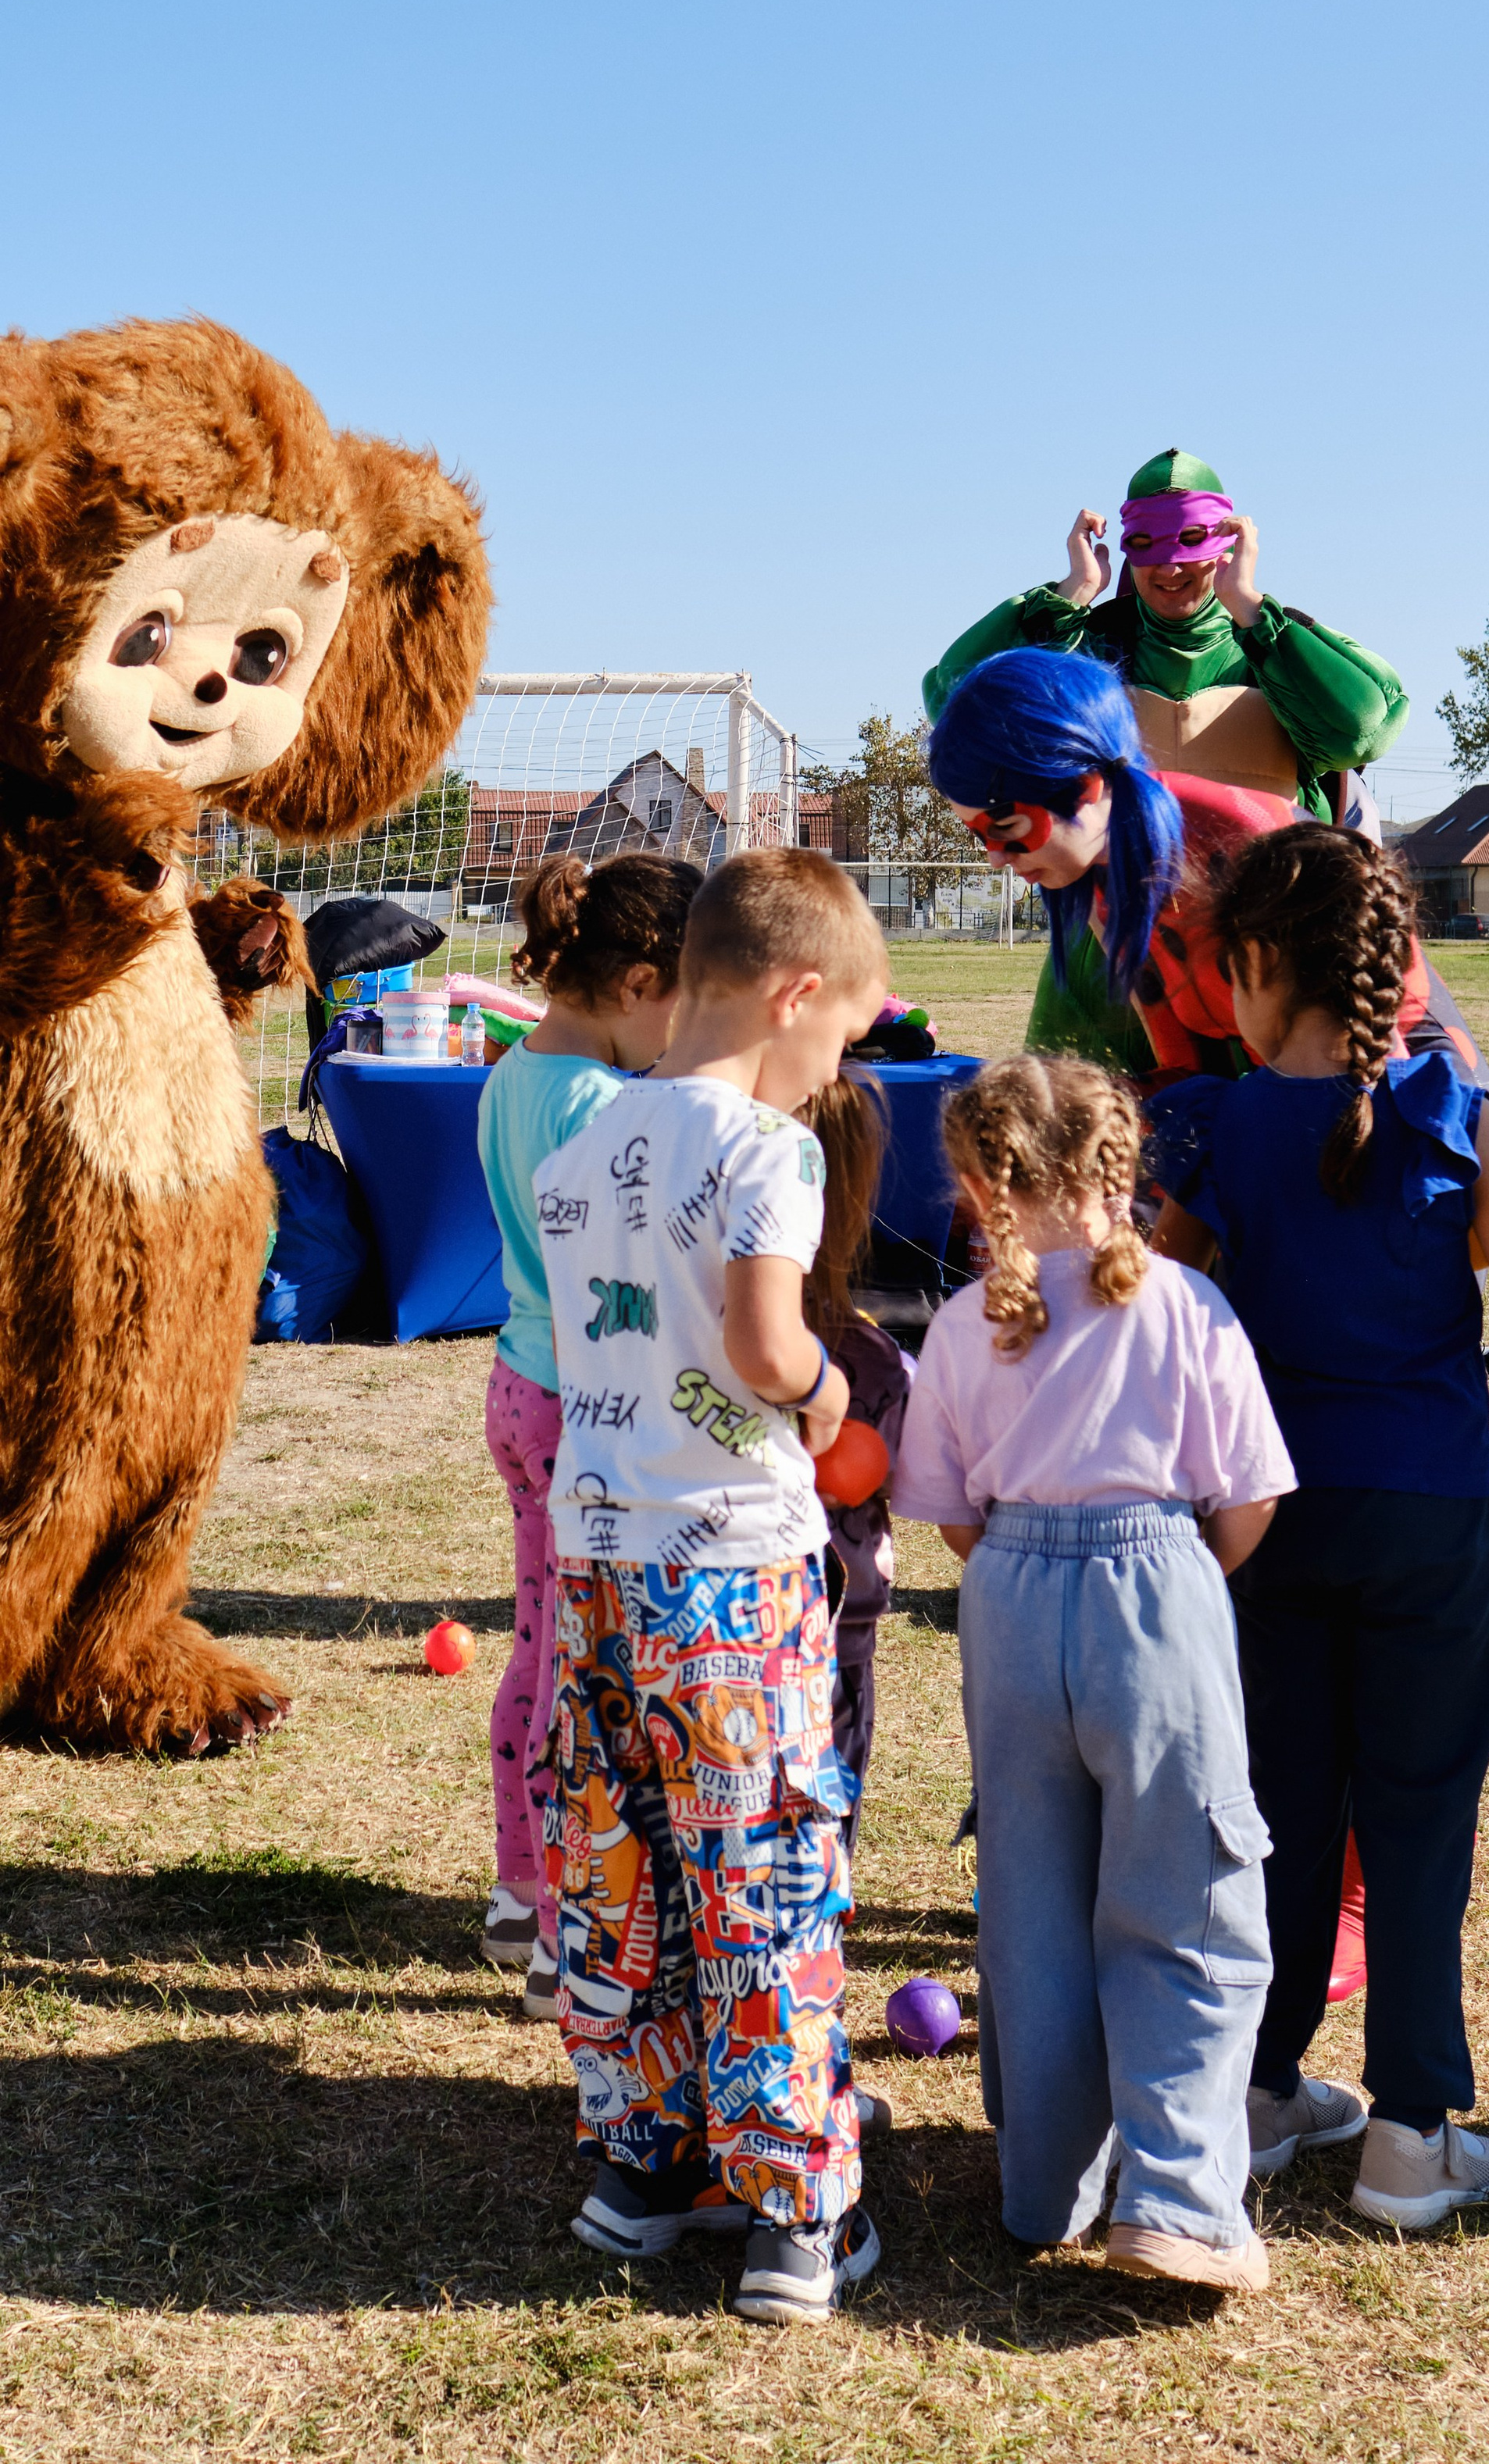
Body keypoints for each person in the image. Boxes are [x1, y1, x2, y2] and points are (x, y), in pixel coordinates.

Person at [1148, 824, 1489, 2230]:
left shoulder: (1211, 1127)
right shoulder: (1454, 1107)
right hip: (1431, 1524)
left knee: (1279, 1813)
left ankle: (1261, 2086)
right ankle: (1410, 2131)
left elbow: (1149, 1316)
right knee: (1419, 1826)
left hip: (1270, 1524)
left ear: (1255, 967)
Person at [536, 848, 890, 2324]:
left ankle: (643, 2163)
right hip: (732, 1571)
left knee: (619, 1867)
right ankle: (796, 2210)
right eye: (844, 1038)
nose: (835, 1074)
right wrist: (823, 1393)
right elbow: (761, 1345)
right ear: (797, 995)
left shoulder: (576, 1143)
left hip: (597, 1558)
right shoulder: (769, 1153)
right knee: (763, 1875)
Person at [893, 1054, 1298, 2295]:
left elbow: (948, 1513)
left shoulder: (962, 1326)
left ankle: (1044, 2191)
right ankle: (1177, 2201)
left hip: (1009, 1601)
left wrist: (1031, 1566)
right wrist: (1172, 1583)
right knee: (1186, 1900)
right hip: (1160, 1591)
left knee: (1032, 1907)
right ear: (1121, 1170)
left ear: (979, 1187)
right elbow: (1248, 1498)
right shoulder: (1186, 1306)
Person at [923, 449, 1410, 1060]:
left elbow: (1363, 730)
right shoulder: (1088, 645)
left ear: (1227, 539)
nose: (1170, 564)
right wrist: (1070, 596)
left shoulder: (1277, 645)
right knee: (1086, 1110)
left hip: (1261, 946)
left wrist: (1252, 610)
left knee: (1277, 1108)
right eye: (1146, 542)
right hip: (1110, 954)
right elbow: (957, 703)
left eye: (1191, 539)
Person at [473, 850, 701, 2018]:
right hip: (587, 1409)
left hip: (520, 1389)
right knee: (591, 1675)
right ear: (640, 982)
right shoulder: (609, 1110)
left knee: (539, 1644)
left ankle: (520, 1891)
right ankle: (570, 1928)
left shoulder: (510, 1075)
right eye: (683, 1010)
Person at [927, 645, 1485, 1087]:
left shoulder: (1253, 845)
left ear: (1086, 785)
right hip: (1304, 1095)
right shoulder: (1099, 870)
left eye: (1007, 826)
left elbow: (1364, 1052)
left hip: (1413, 1087)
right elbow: (1186, 1060)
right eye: (978, 834)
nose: (995, 858)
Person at [798, 1069, 909, 1841]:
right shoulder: (873, 1362)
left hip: (727, 1627)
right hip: (839, 1632)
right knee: (827, 1811)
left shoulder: (699, 1341)